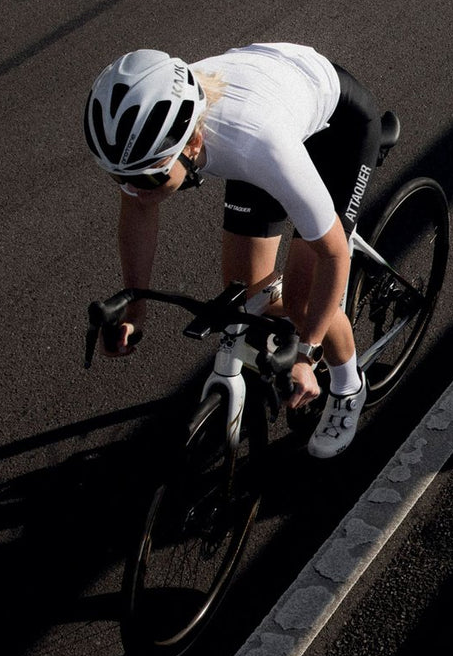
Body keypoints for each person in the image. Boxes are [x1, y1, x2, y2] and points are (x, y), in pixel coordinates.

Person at [82, 42, 382, 458]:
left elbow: (334, 255)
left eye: (148, 178)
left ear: (192, 143)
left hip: (337, 129)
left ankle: (349, 387)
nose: (132, 191)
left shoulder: (260, 146)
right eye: (120, 178)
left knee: (300, 298)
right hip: (269, 104)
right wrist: (136, 309)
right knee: (245, 292)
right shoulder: (154, 142)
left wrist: (307, 352)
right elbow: (138, 207)